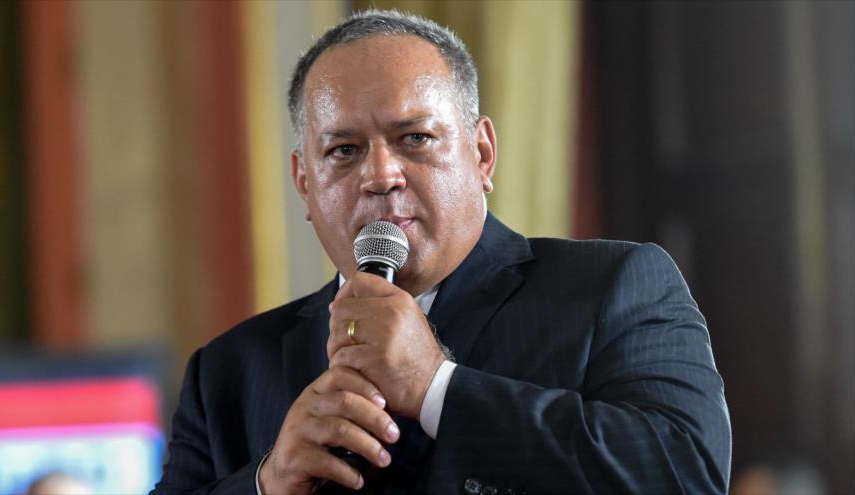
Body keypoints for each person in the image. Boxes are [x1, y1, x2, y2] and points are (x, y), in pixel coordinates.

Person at [152, 9, 731, 495]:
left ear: (481, 154)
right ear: (305, 183)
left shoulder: (612, 289)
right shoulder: (228, 371)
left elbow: (686, 473)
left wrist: (436, 389)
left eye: (415, 139)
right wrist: (268, 480)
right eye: (345, 150)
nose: (380, 175)